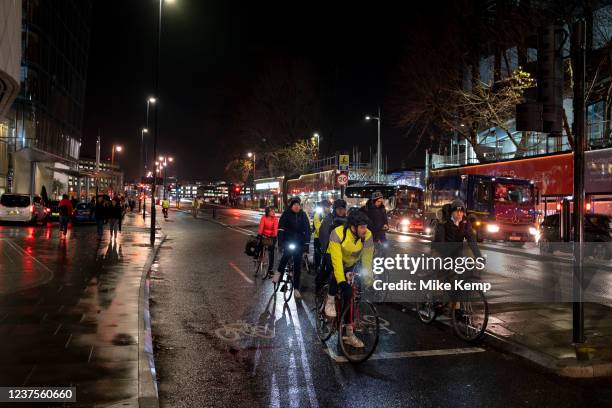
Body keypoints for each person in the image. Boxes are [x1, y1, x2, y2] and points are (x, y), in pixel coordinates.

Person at [324, 209, 374, 348]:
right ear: (353, 226)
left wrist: (369, 280)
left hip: (351, 262)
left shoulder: (368, 235)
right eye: (362, 227)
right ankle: (330, 299)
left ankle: (349, 333)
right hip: (334, 258)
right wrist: (342, 282)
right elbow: (337, 262)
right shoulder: (338, 233)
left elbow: (367, 260)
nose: (366, 230)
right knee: (338, 275)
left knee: (349, 297)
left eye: (366, 226)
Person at [274, 197, 311, 300]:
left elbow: (307, 230)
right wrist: (281, 243)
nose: (297, 206)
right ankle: (278, 274)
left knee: (297, 267)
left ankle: (296, 289)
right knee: (284, 258)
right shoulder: (286, 214)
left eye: (298, 205)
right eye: (295, 204)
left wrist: (306, 244)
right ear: (291, 206)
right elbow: (281, 229)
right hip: (288, 242)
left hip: (299, 244)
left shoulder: (303, 215)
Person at [315, 199, 348, 292]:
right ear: (334, 209)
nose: (341, 211)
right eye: (338, 209)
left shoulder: (348, 220)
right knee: (329, 269)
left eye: (343, 209)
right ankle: (320, 289)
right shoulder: (328, 219)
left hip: (344, 251)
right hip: (330, 251)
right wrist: (326, 248)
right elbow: (324, 234)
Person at [257, 206, 279, 277]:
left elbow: (276, 228)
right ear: (268, 212)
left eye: (274, 211)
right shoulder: (263, 217)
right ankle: (257, 256)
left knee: (271, 251)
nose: (273, 212)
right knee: (259, 244)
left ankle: (270, 269)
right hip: (264, 235)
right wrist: (260, 234)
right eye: (272, 211)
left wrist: (275, 236)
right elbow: (261, 227)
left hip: (272, 236)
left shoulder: (275, 219)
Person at [312, 200, 331, 273]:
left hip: (327, 238)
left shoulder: (330, 215)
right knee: (318, 254)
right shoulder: (318, 215)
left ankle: (324, 268)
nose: (328, 208)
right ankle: (317, 268)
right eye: (327, 207)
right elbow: (318, 228)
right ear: (323, 207)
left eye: (329, 207)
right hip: (318, 238)